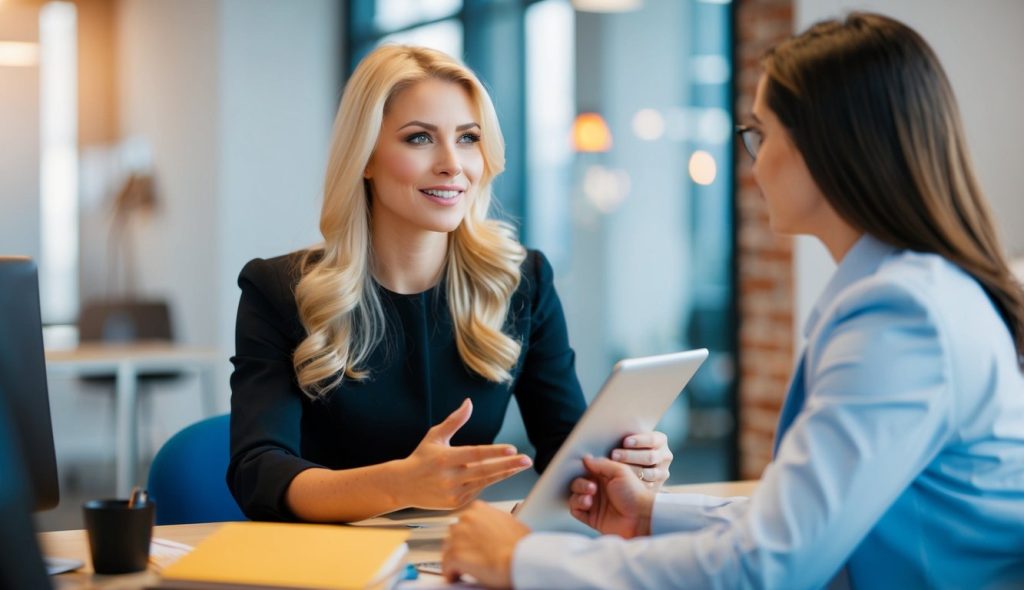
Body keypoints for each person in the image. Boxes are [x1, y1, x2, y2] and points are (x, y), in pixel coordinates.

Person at [441, 12, 1024, 589]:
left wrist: (523, 562)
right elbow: (808, 521)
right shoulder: (918, 294)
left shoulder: (902, 318)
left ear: (827, 148)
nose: (753, 162)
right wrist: (650, 514)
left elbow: (764, 566)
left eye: (761, 134)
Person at [227, 45, 673, 523]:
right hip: (327, 558)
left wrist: (619, 467)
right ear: (366, 158)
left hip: (456, 555)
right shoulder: (278, 290)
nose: (452, 164)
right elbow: (259, 472)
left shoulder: (523, 282)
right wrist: (396, 484)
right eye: (419, 138)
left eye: (468, 138)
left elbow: (566, 449)